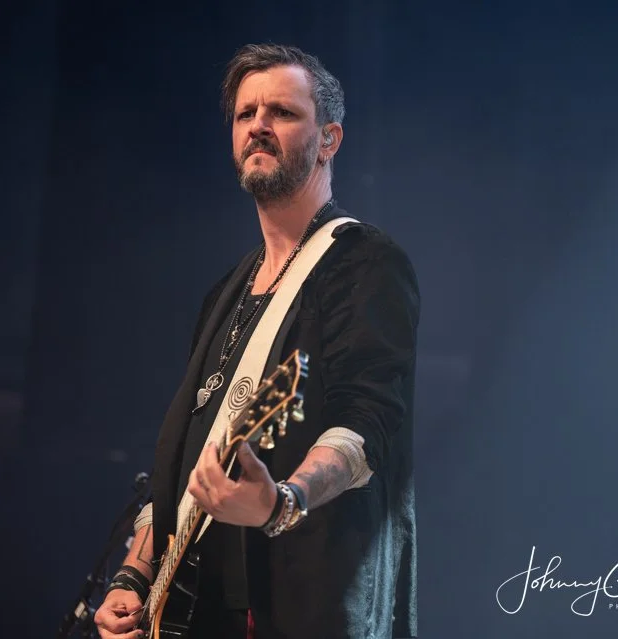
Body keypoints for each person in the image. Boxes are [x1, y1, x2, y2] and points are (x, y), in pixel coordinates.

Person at [94, 43, 419, 639]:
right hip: (194, 609)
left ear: (329, 139)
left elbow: (367, 421)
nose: (259, 126)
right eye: (246, 114)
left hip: (293, 607)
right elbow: (188, 462)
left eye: (283, 112)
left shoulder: (364, 262)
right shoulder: (227, 291)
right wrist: (133, 577)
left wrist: (282, 501)